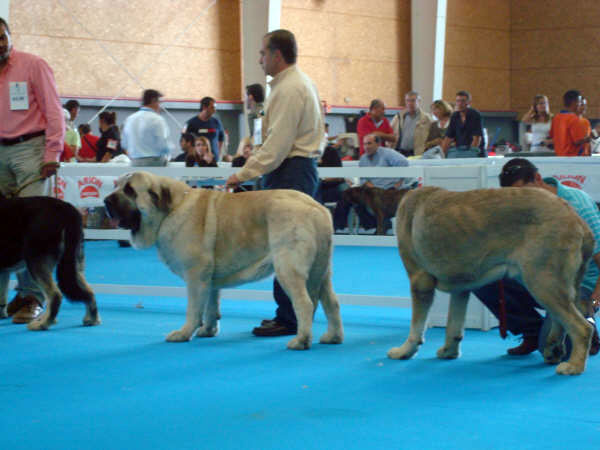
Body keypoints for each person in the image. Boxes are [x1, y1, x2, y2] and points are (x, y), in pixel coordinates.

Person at [225, 29, 324, 337]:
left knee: (288, 247)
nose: (260, 59)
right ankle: (290, 314)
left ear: (277, 55)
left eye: (262, 53)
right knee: (290, 246)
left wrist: (242, 173)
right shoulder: (294, 84)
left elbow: (277, 145)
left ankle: (291, 318)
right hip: (293, 170)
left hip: (290, 171)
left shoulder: (290, 88)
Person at [473, 158, 600, 355]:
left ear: (538, 179)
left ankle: (586, 324)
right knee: (480, 279)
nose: (520, 199)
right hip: (542, 280)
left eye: (524, 192)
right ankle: (531, 330)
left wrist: (593, 301)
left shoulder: (577, 205)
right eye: (514, 196)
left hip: (579, 284)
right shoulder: (521, 209)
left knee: (558, 351)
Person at [0, 17, 65, 323]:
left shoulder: (33, 65)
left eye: (2, 37)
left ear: (10, 37)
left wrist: (52, 151)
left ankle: (31, 297)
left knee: (30, 226)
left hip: (31, 150)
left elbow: (54, 110)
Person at [333, 134, 408, 232]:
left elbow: (404, 164)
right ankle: (338, 228)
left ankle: (379, 226)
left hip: (388, 191)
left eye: (369, 143)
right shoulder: (363, 159)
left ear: (378, 144)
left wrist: (399, 182)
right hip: (371, 190)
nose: (366, 147)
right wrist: (369, 185)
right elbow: (363, 178)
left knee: (374, 200)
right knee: (347, 195)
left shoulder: (388, 153)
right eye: (364, 144)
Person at [122, 89, 172, 166]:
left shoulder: (130, 119)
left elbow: (124, 144)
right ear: (153, 101)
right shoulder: (157, 119)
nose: (160, 106)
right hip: (154, 162)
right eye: (159, 102)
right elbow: (163, 144)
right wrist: (168, 153)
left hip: (135, 162)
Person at [440, 90, 485, 157]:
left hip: (474, 151)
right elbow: (448, 138)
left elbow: (477, 138)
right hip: (459, 150)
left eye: (463, 101)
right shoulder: (455, 116)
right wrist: (442, 155)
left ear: (469, 102)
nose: (460, 103)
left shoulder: (475, 114)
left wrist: (471, 154)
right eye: (458, 101)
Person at [390, 91, 433, 157]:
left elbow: (432, 137)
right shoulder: (399, 117)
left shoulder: (427, 118)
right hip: (400, 153)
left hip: (417, 154)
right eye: (408, 101)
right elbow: (390, 133)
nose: (410, 103)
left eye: (413, 101)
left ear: (419, 101)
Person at [549, 89, 589, 157]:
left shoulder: (556, 118)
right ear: (574, 102)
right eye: (579, 102)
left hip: (560, 157)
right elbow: (578, 141)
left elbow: (552, 136)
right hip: (574, 158)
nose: (580, 104)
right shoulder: (574, 119)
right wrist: (594, 135)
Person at [183, 96, 225, 160]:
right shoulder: (190, 123)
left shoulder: (217, 122)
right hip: (197, 160)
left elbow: (221, 139)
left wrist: (218, 154)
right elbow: (184, 142)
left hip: (213, 160)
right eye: (212, 108)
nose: (214, 110)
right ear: (204, 107)